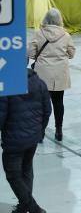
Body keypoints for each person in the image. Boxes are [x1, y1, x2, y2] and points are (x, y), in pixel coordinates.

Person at [0, 68, 51, 213]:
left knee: (13, 174)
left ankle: (33, 208)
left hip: (14, 140)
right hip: (33, 137)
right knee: (26, 170)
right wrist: (39, 130)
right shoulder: (39, 82)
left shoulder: (7, 86)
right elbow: (47, 110)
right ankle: (24, 205)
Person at [27, 8, 75, 142]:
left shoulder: (39, 33)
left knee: (41, 103)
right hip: (60, 73)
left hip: (42, 73)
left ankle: (41, 131)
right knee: (58, 102)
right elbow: (71, 53)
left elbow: (30, 53)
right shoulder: (66, 35)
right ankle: (59, 130)